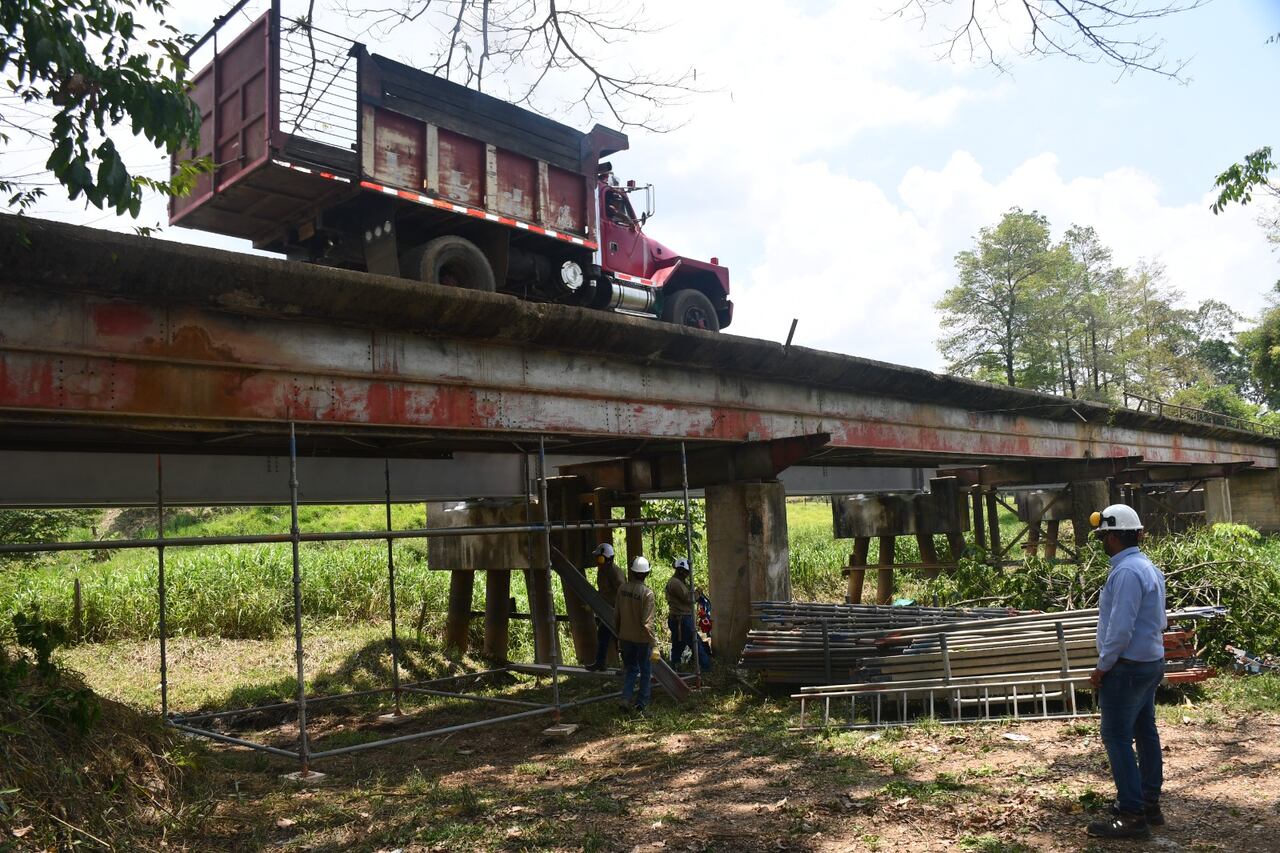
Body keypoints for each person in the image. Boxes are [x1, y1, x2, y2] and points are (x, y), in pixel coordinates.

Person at [1086, 504, 1167, 840]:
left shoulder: (1126, 573)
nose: (1102, 542)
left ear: (1115, 536)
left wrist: (1102, 666)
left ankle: (1133, 814)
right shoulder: (1148, 568)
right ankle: (1148, 802)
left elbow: (1120, 628)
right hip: (1149, 663)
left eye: (1104, 536)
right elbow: (1160, 621)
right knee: (1144, 730)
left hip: (1127, 667)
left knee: (1117, 737)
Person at [614, 555, 656, 713]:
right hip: (641, 640)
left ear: (632, 572)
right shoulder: (647, 594)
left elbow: (617, 615)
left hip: (625, 638)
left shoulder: (622, 589)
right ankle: (641, 704)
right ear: (646, 574)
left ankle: (625, 699)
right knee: (646, 671)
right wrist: (654, 643)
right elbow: (648, 623)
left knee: (631, 669)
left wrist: (618, 635)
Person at [664, 558, 710, 671]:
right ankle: (707, 668)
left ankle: (674, 668)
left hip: (680, 619)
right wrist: (698, 592)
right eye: (686, 572)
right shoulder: (675, 583)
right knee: (696, 644)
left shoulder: (680, 582)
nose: (687, 575)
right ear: (680, 571)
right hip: (682, 620)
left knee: (678, 646)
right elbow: (690, 598)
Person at [586, 543, 624, 672]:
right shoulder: (602, 571)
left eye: (599, 558)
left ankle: (628, 666)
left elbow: (622, 591)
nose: (597, 560)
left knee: (621, 640)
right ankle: (600, 663)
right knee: (602, 636)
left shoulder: (614, 572)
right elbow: (603, 591)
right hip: (606, 611)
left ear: (606, 558)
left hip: (615, 611)